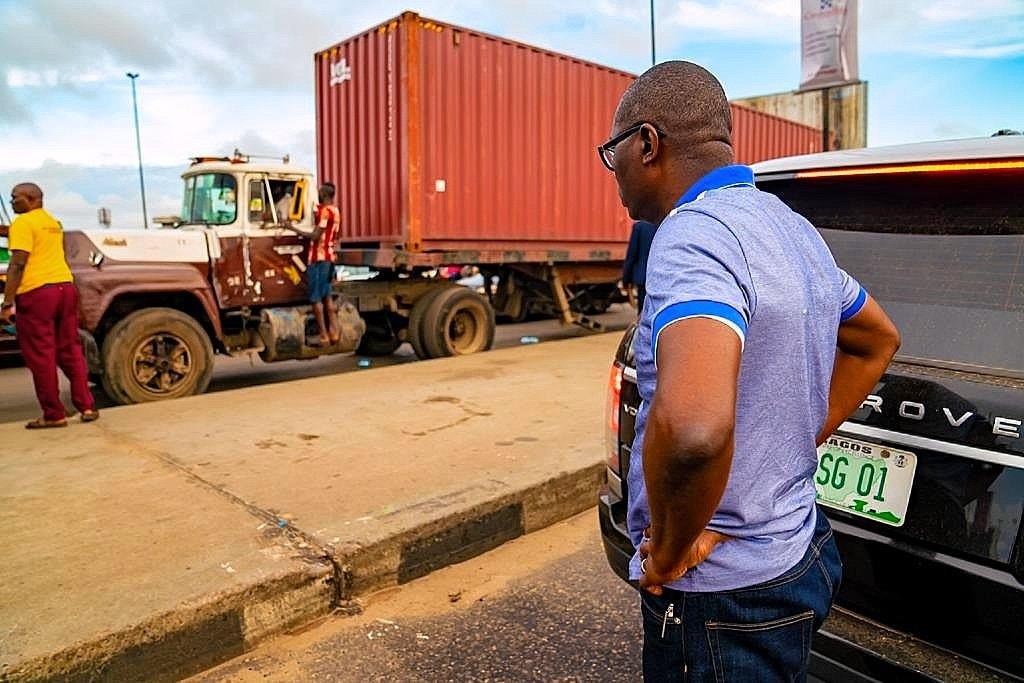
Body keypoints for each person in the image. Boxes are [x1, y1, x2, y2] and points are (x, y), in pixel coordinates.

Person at [599, 61, 900, 681]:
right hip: (799, 553)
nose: (614, 171)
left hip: (723, 594)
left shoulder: (693, 236)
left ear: (648, 144)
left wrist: (671, 553)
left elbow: (692, 430)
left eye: (614, 151)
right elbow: (876, 339)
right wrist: (797, 437)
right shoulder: (793, 231)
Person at [0, 183, 98, 429]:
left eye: (15, 198)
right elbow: (20, 233)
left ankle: (54, 414)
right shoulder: (53, 223)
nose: (12, 202)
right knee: (70, 349)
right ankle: (86, 406)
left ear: (31, 199)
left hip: (37, 292)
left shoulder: (24, 223)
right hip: (64, 288)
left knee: (41, 355)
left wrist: (8, 302)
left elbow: (17, 264)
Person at [308, 183, 341, 346]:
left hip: (318, 258)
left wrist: (290, 227)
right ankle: (333, 332)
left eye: (320, 191)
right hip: (329, 258)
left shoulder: (324, 212)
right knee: (327, 296)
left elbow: (315, 236)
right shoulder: (336, 211)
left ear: (324, 194)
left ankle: (323, 335)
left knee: (315, 299)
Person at [622, 220, 656, 312]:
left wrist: (626, 279)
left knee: (643, 312)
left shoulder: (639, 227)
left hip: (643, 278)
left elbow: (631, 255)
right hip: (660, 277)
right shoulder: (666, 223)